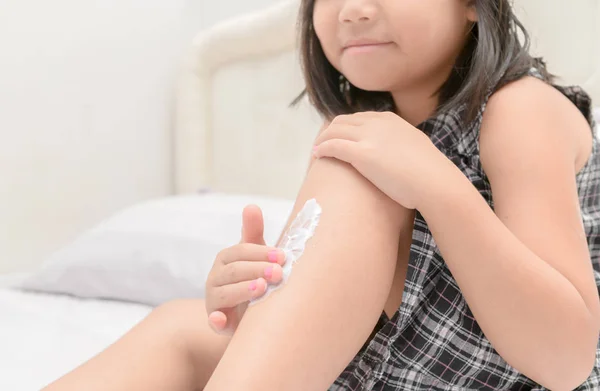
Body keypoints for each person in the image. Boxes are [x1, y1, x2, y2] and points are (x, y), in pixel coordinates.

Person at [44, 0, 600, 390]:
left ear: (474, 4)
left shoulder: (520, 110)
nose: (352, 9)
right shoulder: (365, 130)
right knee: (180, 328)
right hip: (391, 369)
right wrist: (259, 302)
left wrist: (438, 186)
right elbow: (338, 301)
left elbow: (568, 362)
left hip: (500, 378)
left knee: (357, 164)